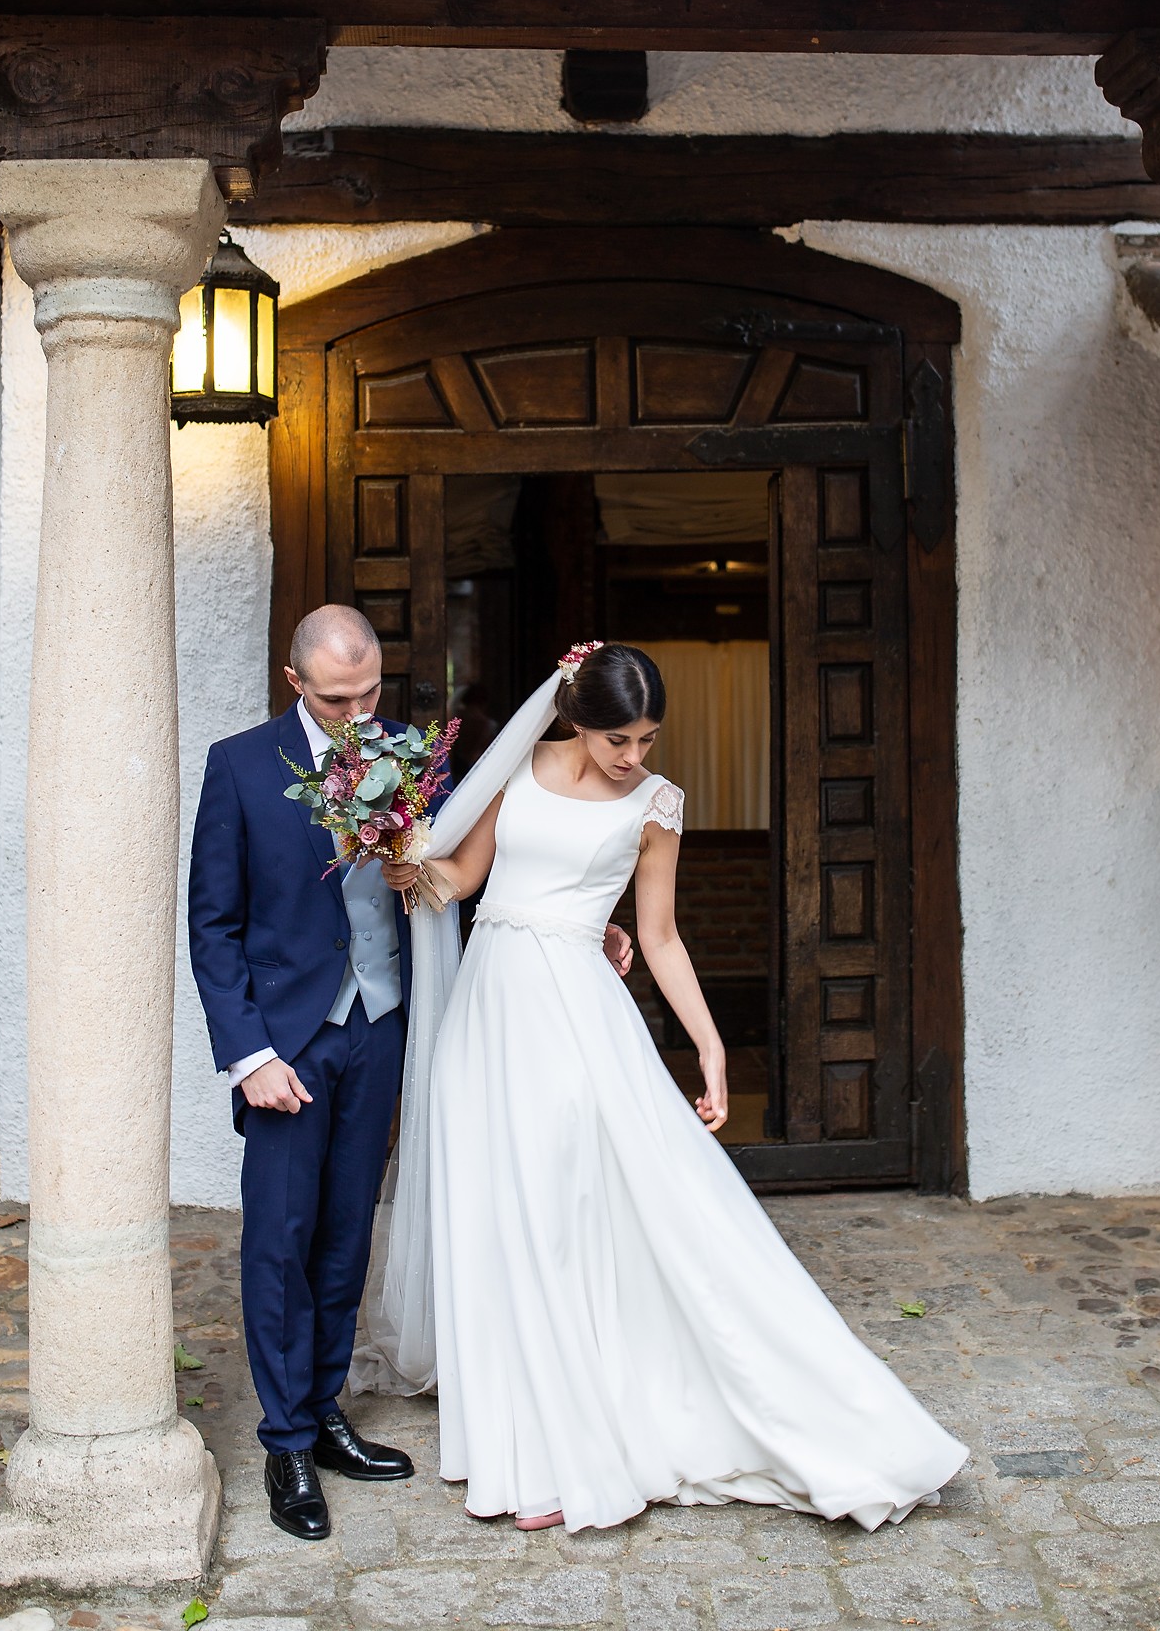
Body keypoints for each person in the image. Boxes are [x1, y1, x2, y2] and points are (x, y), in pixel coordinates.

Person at [379, 640, 969, 1535]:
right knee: (499, 1207)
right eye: (619, 740)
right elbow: (462, 878)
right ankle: (520, 1421)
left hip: (576, 1018)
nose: (634, 757)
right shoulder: (518, 768)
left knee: (565, 1208)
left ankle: (574, 1432)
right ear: (575, 721)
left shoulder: (656, 807)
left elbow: (657, 937)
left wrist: (711, 1047)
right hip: (487, 1014)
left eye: (648, 739)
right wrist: (404, 864)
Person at [188, 606, 634, 1542]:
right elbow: (214, 926)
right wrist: (250, 1057)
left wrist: (589, 923)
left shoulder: (412, 754)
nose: (357, 713)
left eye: (369, 692)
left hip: (382, 1028)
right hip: (289, 1043)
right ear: (293, 680)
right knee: (281, 1236)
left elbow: (473, 871)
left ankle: (321, 1408)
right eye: (336, 697)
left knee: (351, 1230)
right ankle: (282, 1442)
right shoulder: (238, 765)